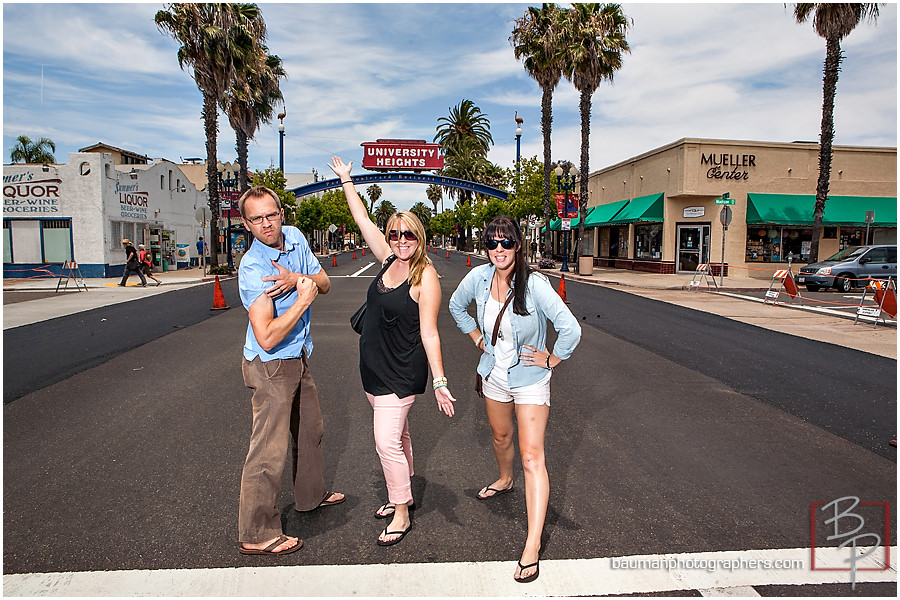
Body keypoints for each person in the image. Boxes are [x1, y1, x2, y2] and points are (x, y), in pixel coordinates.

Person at [328, 156, 456, 547]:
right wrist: (348, 181)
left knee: (385, 441)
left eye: (409, 235)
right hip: (373, 369)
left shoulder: (425, 276)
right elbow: (364, 221)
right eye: (396, 234)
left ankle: (400, 509)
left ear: (420, 239)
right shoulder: (387, 260)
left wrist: (440, 381)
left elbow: (431, 333)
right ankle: (406, 492)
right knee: (398, 437)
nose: (401, 241)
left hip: (402, 371)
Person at [448, 215, 581, 583]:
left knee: (531, 454)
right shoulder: (478, 278)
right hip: (494, 374)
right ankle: (505, 479)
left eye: (506, 243)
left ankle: (532, 544)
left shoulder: (534, 284)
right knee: (501, 437)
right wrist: (478, 340)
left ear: (519, 245)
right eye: (492, 243)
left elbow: (570, 327)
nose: (499, 250)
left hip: (530, 379)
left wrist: (552, 358)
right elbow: (456, 308)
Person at [236, 186, 345, 556]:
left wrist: (300, 278)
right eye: (257, 218)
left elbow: (325, 283)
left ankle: (311, 495)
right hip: (271, 365)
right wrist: (301, 298)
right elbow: (266, 336)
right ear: (246, 224)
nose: (267, 223)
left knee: (311, 429)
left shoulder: (296, 238)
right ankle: (257, 532)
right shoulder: (253, 268)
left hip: (298, 354)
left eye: (271, 214)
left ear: (282, 213)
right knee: (268, 449)